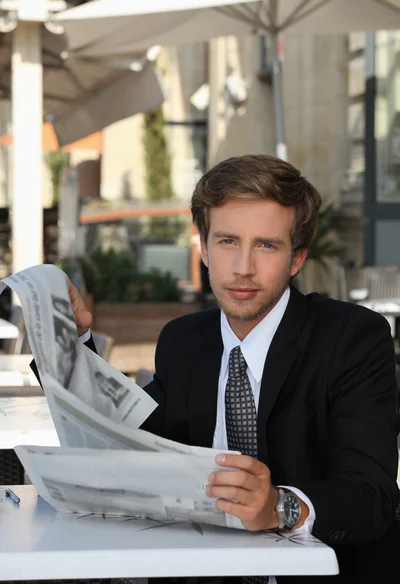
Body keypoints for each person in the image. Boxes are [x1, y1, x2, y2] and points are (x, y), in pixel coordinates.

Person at [68, 155, 400, 583]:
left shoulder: (352, 338)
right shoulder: (184, 341)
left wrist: (279, 506)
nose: (243, 268)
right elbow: (123, 439)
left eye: (266, 245)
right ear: (203, 248)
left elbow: (372, 495)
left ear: (296, 258)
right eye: (227, 242)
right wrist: (70, 340)